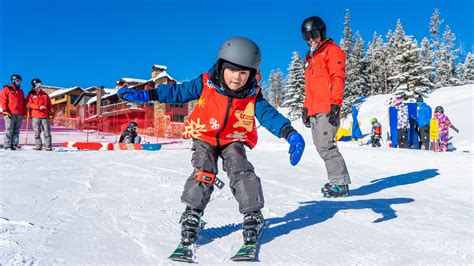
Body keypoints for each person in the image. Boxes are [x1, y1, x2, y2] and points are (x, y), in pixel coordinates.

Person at [118, 37, 305, 247]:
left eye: (243, 73)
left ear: (252, 74)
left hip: (233, 138)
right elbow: (177, 92)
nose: (237, 78)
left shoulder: (252, 94)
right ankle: (193, 212)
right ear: (222, 67)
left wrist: (289, 133)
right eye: (232, 70)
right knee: (204, 170)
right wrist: (148, 95)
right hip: (204, 135)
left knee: (239, 168)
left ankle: (253, 214)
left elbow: (269, 115)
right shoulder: (206, 83)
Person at [300, 16, 350, 197]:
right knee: (321, 145)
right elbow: (310, 86)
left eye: (313, 34)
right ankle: (337, 181)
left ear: (322, 32)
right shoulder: (311, 58)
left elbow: (338, 77)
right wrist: (306, 107)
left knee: (326, 146)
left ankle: (340, 184)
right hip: (315, 108)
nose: (311, 39)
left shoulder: (332, 51)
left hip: (327, 107)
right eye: (307, 36)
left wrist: (336, 104)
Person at [26, 78, 54, 151]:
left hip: (44, 116)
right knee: (37, 132)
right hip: (35, 116)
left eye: (40, 84)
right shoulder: (31, 94)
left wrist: (51, 112)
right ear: (34, 85)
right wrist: (38, 107)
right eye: (38, 84)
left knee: (47, 132)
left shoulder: (45, 94)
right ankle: (38, 146)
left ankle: (48, 146)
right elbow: (29, 104)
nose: (40, 85)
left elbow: (49, 105)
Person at [1, 74, 27, 150]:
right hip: (10, 113)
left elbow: (23, 103)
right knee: (9, 130)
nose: (19, 83)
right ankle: (7, 146)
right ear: (13, 81)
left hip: (19, 114)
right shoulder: (7, 89)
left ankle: (14, 145)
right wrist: (5, 110)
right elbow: (3, 100)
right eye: (17, 81)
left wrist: (24, 113)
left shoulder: (21, 92)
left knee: (16, 131)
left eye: (20, 81)